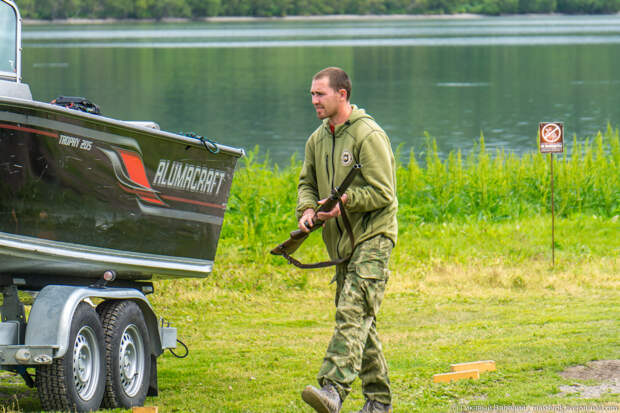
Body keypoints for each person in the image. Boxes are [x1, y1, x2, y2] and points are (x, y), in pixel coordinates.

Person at [297, 67, 398, 413]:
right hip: (340, 246)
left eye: (320, 94)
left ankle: (333, 390)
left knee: (352, 312)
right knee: (361, 322)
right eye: (311, 94)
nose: (313, 100)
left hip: (374, 236)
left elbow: (383, 193)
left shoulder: (369, 135)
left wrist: (345, 203)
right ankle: (379, 402)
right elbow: (306, 183)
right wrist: (308, 209)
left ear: (342, 94)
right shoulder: (317, 139)